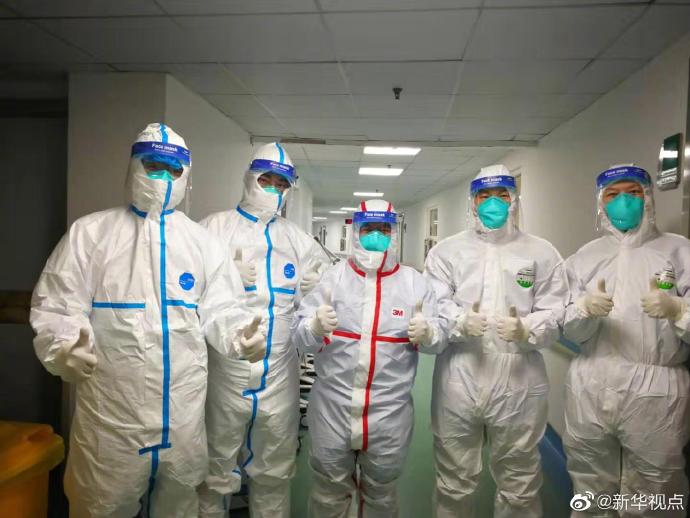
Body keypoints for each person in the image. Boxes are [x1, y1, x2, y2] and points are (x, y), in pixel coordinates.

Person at [30, 123, 265, 518]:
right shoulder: (90, 235)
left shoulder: (203, 244)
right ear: (133, 168)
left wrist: (240, 336)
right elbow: (57, 306)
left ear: (186, 176)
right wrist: (63, 348)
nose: (163, 178)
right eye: (153, 166)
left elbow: (223, 309)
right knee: (100, 508)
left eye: (174, 170)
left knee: (180, 508)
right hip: (112, 423)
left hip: (182, 421)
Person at [424, 164, 569, 518]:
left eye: (502, 194)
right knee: (454, 477)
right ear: (472, 201)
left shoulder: (541, 252)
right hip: (460, 372)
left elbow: (556, 310)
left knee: (519, 478)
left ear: (514, 199)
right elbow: (434, 304)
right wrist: (460, 322)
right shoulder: (447, 252)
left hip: (519, 375)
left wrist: (527, 329)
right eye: (484, 195)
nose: (493, 202)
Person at [293, 199, 446, 518]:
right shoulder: (333, 278)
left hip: (389, 411)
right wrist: (314, 327)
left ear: (394, 234)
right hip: (332, 406)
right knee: (328, 490)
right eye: (368, 229)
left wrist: (429, 333)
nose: (376, 236)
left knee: (381, 492)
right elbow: (300, 336)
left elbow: (439, 340)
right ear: (356, 232)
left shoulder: (413, 282)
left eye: (383, 229)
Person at [199, 142, 326, 518]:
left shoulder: (298, 240)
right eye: (266, 180)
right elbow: (183, 294)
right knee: (215, 468)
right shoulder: (212, 229)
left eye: (281, 184)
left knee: (275, 470)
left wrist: (316, 302)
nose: (273, 189)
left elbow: (321, 298)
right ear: (249, 178)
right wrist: (223, 276)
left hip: (280, 377)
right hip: (225, 372)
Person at [563, 165, 690, 517]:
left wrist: (677, 309)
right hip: (590, 383)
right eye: (613, 194)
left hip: (657, 387)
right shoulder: (584, 257)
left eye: (632, 192)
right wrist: (584, 311)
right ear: (600, 202)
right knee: (589, 481)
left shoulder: (679, 251)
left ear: (648, 197)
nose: (623, 201)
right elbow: (567, 326)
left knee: (657, 486)